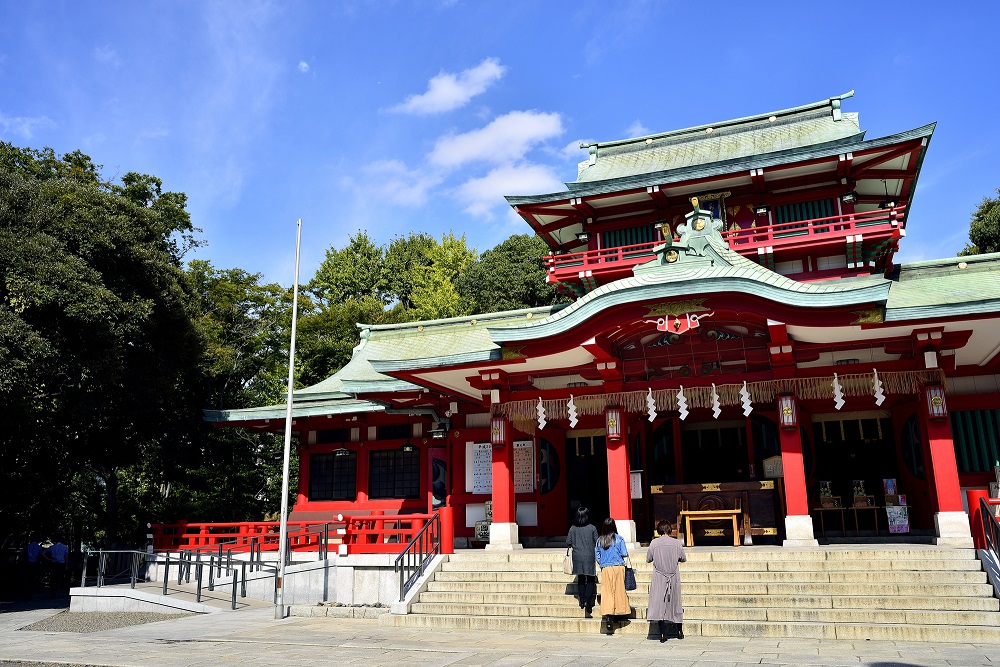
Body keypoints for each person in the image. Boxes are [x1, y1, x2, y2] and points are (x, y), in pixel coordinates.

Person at [646, 519, 686, 641]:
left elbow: (648, 559)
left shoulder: (654, 543)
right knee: (675, 603)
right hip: (673, 576)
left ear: (659, 530)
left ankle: (662, 633)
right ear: (669, 529)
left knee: (660, 604)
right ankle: (679, 631)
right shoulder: (677, 543)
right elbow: (683, 558)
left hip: (659, 576)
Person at [594, 517, 630, 635]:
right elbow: (624, 553)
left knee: (607, 592)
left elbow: (597, 555)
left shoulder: (600, 540)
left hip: (606, 568)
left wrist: (602, 562)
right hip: (618, 567)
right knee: (619, 591)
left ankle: (608, 616)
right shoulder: (619, 539)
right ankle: (618, 612)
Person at [566, 507, 599, 616]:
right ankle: (588, 601)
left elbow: (568, 542)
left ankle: (582, 600)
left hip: (577, 555)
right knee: (590, 578)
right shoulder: (592, 528)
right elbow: (597, 541)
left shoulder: (572, 528)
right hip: (589, 555)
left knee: (580, 578)